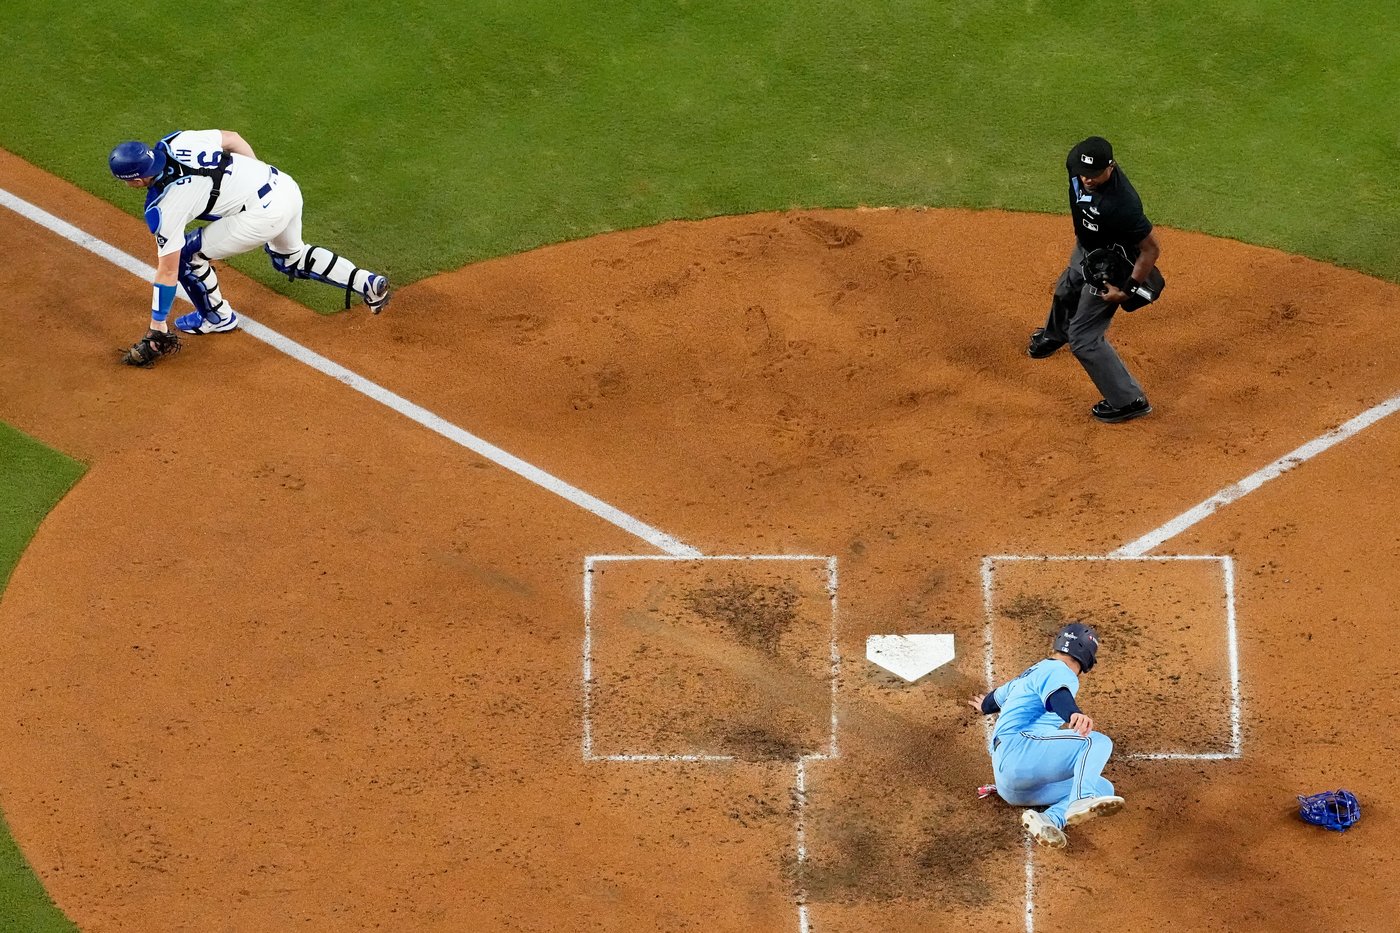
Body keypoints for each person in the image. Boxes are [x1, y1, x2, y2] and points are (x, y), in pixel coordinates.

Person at [109, 130, 389, 365]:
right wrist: (253, 175)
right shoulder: (178, 140)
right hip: (283, 185)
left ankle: (217, 317)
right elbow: (232, 138)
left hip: (261, 215)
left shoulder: (165, 208)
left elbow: (168, 272)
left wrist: (157, 325)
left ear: (134, 180)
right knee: (291, 257)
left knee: (186, 256)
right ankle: (368, 282)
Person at [1027, 136, 1160, 424]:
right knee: (1066, 288)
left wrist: (1127, 290)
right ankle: (1054, 333)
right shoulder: (1076, 167)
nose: (1086, 178)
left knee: (1084, 338)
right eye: (1083, 172)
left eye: (1094, 174)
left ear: (1110, 167)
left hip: (1111, 267)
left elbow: (1151, 249)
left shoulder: (1123, 203)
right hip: (1087, 250)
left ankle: (1128, 400)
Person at [966, 622, 1123, 849]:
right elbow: (1057, 697)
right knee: (1095, 742)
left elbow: (993, 701)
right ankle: (1080, 799)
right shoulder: (1061, 671)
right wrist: (1073, 714)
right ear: (1087, 657)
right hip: (1019, 750)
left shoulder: (1029, 675)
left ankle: (1049, 819)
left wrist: (984, 706)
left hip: (1013, 788)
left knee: (1103, 787)